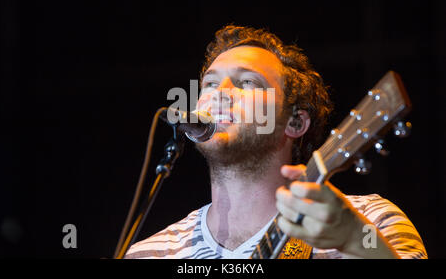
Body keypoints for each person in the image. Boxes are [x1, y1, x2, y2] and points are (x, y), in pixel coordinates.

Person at [124, 25, 427, 259]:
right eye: (211, 83)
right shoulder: (150, 252)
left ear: (295, 122)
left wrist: (353, 242)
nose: (220, 92)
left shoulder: (370, 222)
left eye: (247, 83)